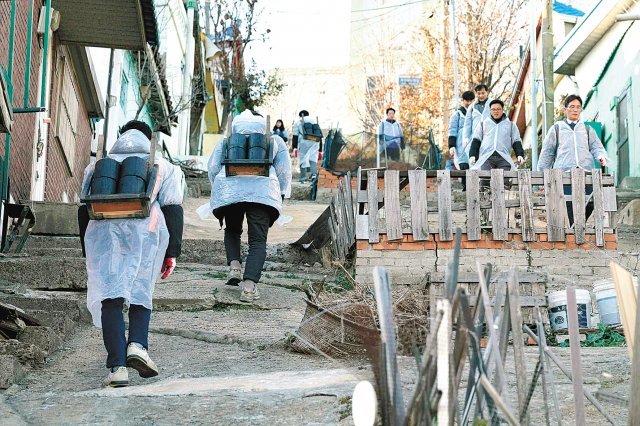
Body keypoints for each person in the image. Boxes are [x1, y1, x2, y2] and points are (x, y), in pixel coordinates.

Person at [81, 120, 184, 388]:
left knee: (110, 296)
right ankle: (137, 345)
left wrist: (88, 252)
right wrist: (171, 252)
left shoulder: (98, 164)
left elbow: (84, 208)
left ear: (121, 136)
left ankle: (117, 367)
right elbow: (173, 208)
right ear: (149, 139)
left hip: (105, 237)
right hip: (146, 235)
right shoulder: (163, 165)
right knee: (141, 290)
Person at [208, 109, 292, 303]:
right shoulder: (273, 141)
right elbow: (284, 171)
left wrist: (220, 190)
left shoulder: (227, 139)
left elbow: (213, 168)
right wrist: (279, 194)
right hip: (262, 193)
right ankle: (249, 287)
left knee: (232, 230)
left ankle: (235, 267)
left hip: (230, 191)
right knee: (257, 240)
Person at [537, 94, 608, 225]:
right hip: (564, 173)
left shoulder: (587, 129)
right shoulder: (556, 129)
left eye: (578, 107)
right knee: (568, 204)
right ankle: (572, 231)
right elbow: (547, 153)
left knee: (590, 202)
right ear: (565, 110)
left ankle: (578, 226)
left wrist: (601, 156)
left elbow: (597, 147)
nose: (575, 110)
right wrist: (543, 176)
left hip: (586, 172)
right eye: (572, 107)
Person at [469, 99, 525, 187]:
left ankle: (504, 199)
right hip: (487, 157)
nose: (496, 111)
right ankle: (485, 199)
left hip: (503, 157)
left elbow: (516, 141)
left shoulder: (510, 125)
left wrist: (520, 154)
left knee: (504, 182)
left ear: (502, 110)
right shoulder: (483, 124)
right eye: (493, 109)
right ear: (490, 110)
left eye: (498, 109)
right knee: (484, 182)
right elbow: (476, 140)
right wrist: (472, 155)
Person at [448, 90, 475, 190]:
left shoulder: (476, 113)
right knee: (464, 166)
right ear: (462, 101)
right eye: (466, 101)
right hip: (461, 146)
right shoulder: (457, 114)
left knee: (475, 166)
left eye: (471, 101)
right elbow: (452, 130)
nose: (468, 103)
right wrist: (451, 145)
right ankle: (466, 189)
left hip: (475, 144)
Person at [462, 84, 493, 152]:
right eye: (478, 93)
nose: (481, 95)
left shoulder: (493, 104)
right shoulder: (472, 107)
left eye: (483, 93)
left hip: (490, 136)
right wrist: (466, 137)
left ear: (487, 92)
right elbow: (467, 124)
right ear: (476, 94)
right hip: (476, 137)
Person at [293, 110, 322, 182]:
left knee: (302, 159)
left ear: (300, 115)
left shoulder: (299, 122)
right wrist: (320, 149)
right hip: (315, 141)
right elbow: (319, 134)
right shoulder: (314, 121)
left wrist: (294, 147)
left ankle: (303, 177)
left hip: (304, 142)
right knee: (313, 159)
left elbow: (295, 136)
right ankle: (314, 175)